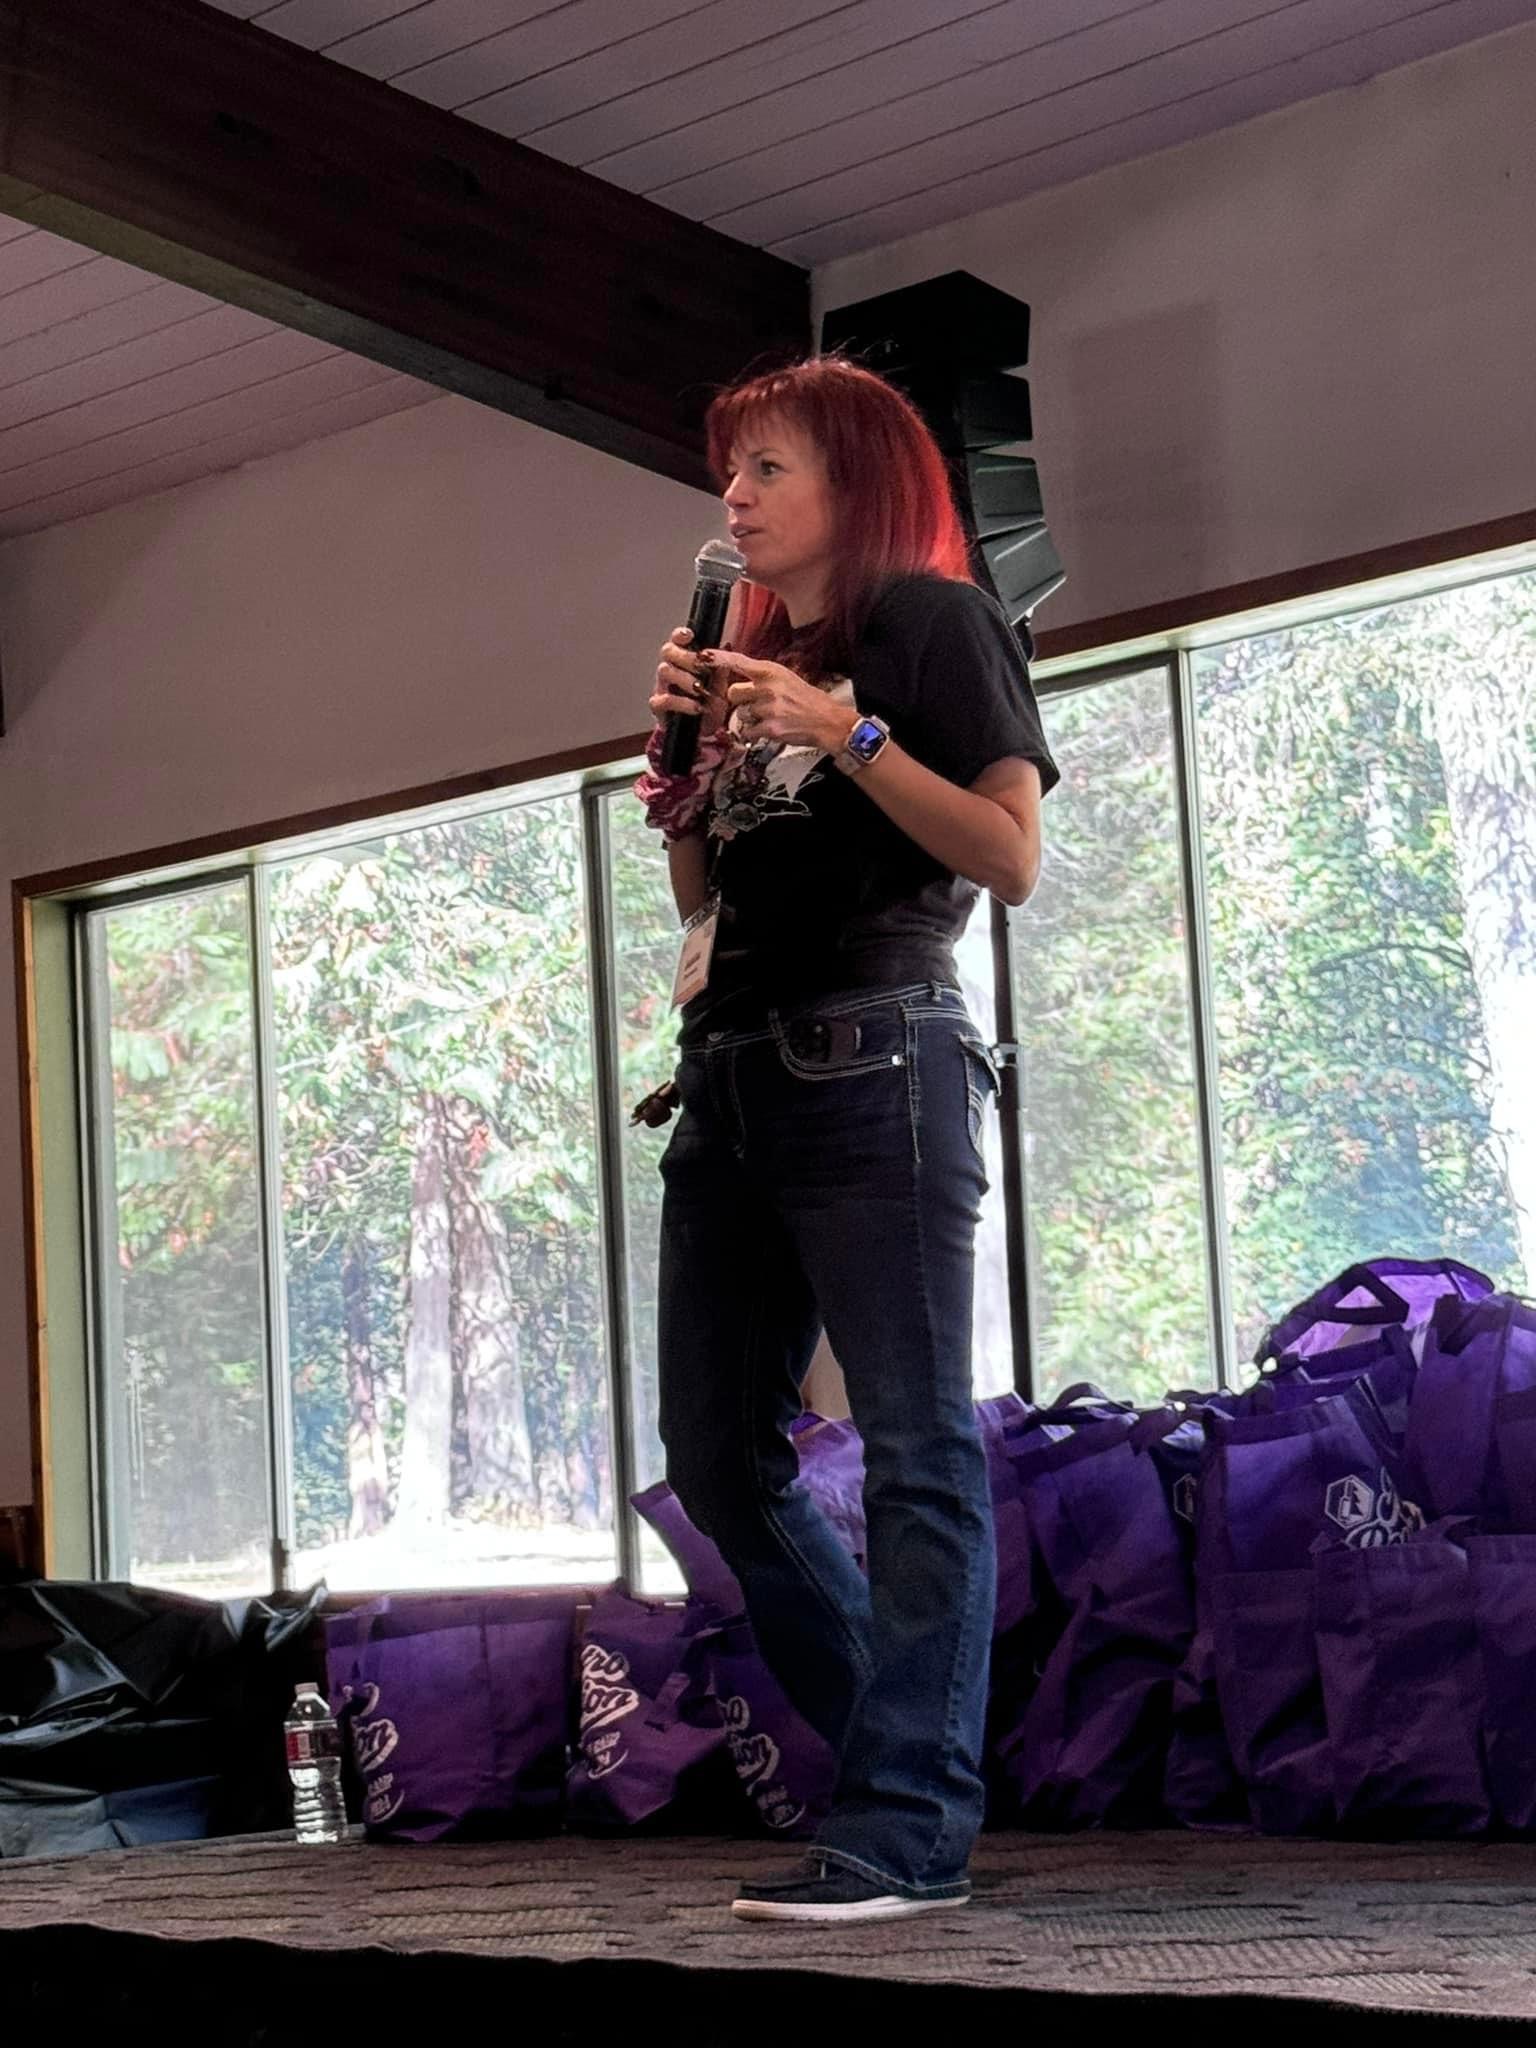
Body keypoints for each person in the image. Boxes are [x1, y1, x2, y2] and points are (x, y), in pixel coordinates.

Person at [634, 355, 1059, 1924]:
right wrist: (680, 779)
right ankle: (908, 1761)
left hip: (875, 1058)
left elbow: (1010, 856)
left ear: (856, 483)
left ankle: (904, 1826)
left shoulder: (931, 624)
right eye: (731, 471)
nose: (734, 497)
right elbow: (709, 905)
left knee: (915, 1446)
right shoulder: (752, 657)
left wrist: (851, 730)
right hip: (733, 1069)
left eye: (769, 469)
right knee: (715, 1455)